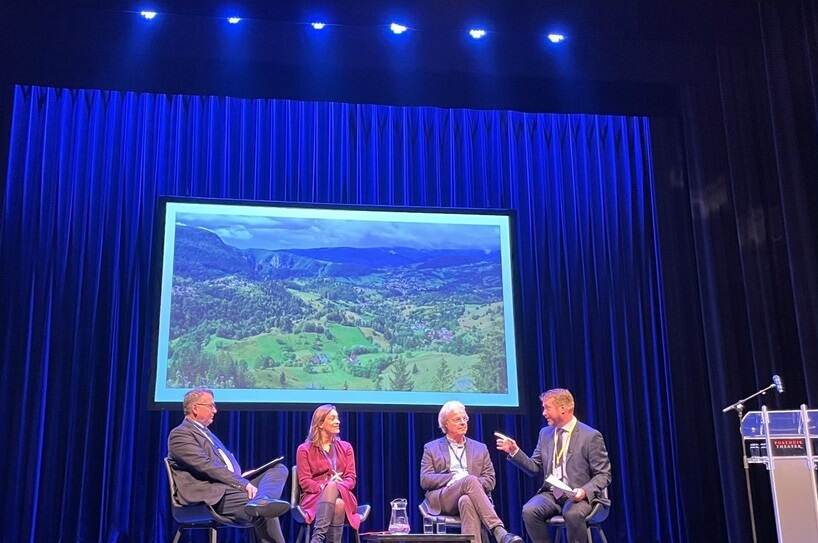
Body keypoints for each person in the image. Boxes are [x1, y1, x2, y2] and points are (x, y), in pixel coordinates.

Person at [167, 388, 290, 543]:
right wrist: (242, 482)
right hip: (211, 494)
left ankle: (262, 499)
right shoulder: (180, 434)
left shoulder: (207, 433)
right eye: (210, 406)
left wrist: (242, 477)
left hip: (230, 486)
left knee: (278, 469)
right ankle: (261, 502)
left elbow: (225, 464)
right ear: (195, 408)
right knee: (265, 511)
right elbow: (207, 467)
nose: (215, 410)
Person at [496, 388, 611, 543]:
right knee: (529, 511)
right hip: (554, 493)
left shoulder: (590, 436)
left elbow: (604, 475)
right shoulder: (545, 433)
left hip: (580, 497)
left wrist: (584, 491)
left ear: (563, 409)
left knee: (572, 514)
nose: (543, 413)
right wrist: (514, 451)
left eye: (547, 408)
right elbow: (534, 467)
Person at [420, 400, 523, 543]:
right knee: (469, 479)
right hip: (444, 497)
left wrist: (470, 482)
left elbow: (490, 480)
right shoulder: (431, 448)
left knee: (466, 500)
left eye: (465, 418)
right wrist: (454, 478)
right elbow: (425, 480)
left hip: (473, 496)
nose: (463, 422)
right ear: (446, 424)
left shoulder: (480, 448)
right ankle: (499, 531)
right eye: (457, 419)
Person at [296, 404, 362, 543]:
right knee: (338, 504)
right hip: (315, 498)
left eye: (337, 418)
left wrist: (335, 486)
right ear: (320, 424)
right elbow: (305, 481)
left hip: (344, 493)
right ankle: (319, 538)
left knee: (337, 496)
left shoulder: (346, 447)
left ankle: (317, 539)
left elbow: (351, 478)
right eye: (332, 418)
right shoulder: (304, 449)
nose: (338, 421)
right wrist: (326, 486)